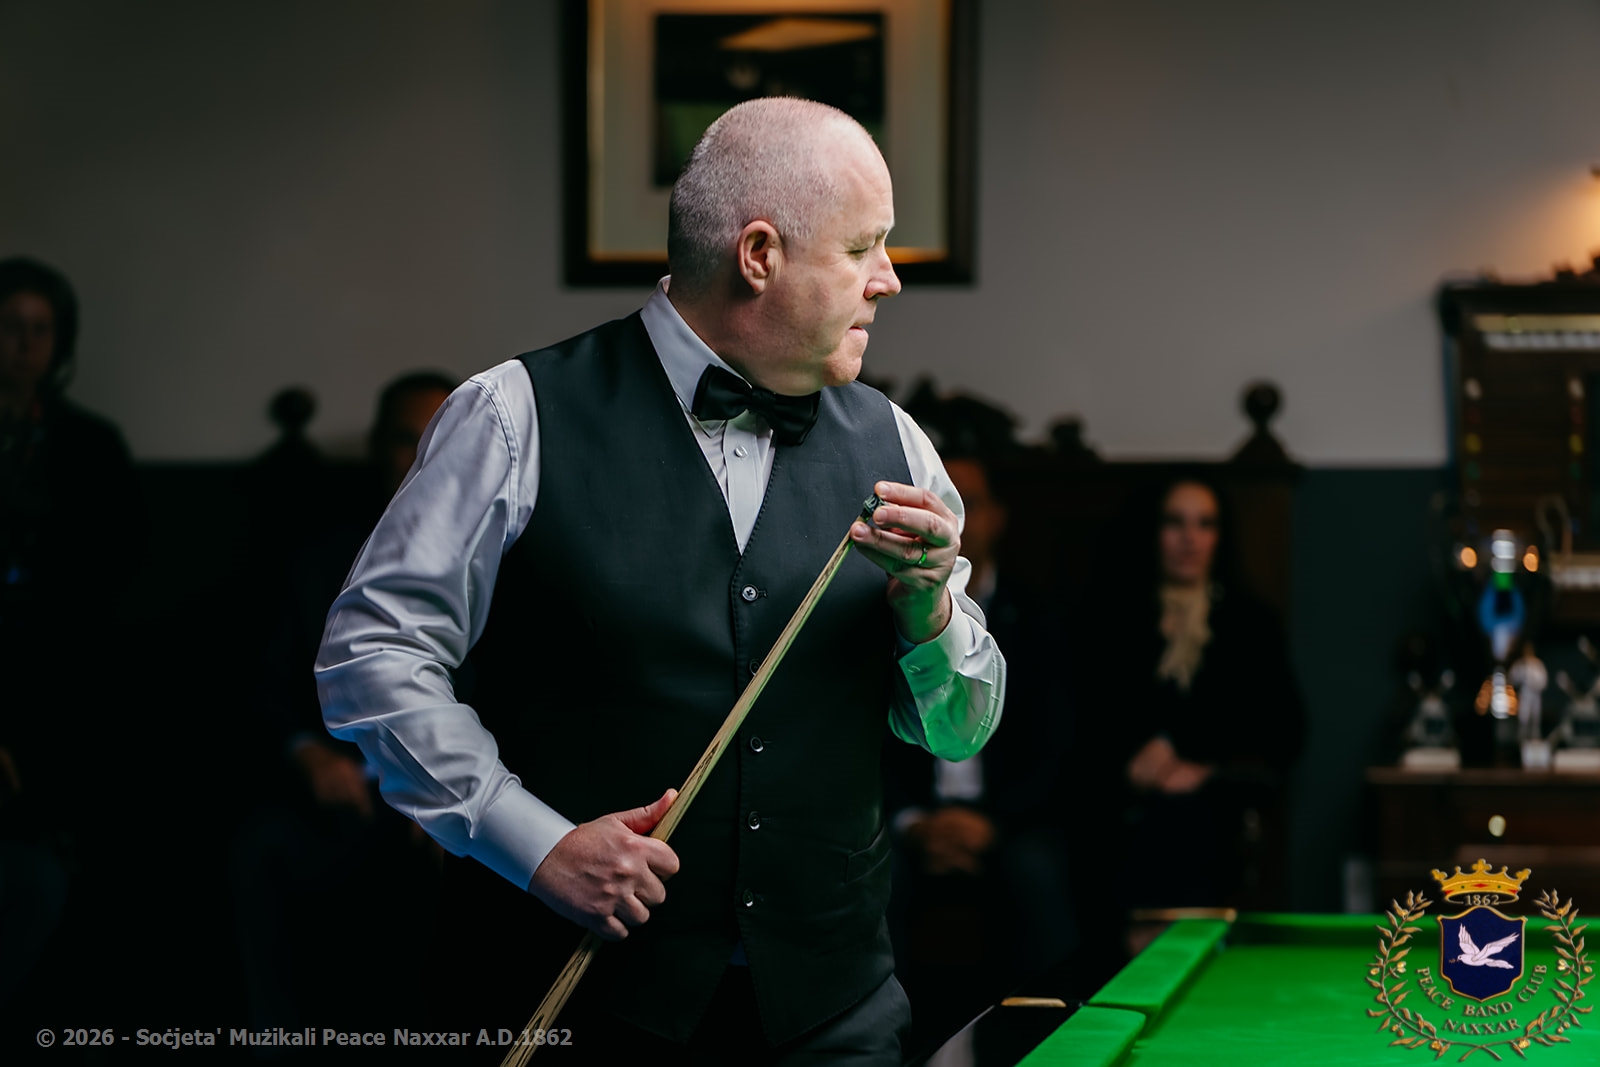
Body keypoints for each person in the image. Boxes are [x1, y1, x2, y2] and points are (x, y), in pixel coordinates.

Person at [315, 98, 1004, 1065]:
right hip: (573, 1006)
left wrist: (929, 614)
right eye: (863, 248)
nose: (889, 278)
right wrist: (536, 842)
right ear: (759, 256)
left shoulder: (900, 445)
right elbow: (371, 657)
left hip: (834, 1012)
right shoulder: (513, 415)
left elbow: (960, 731)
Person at [231, 372, 454, 1046]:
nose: (419, 460)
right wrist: (306, 752)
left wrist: (455, 792)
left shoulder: (512, 558)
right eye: (405, 441)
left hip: (457, 809)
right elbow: (265, 684)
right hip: (339, 797)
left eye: (437, 441)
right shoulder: (316, 559)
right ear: (378, 448)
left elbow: (521, 699)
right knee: (260, 849)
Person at [884, 453, 1072, 1053]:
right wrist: (915, 824)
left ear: (996, 518)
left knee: (1039, 873)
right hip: (910, 820)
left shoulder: (1037, 617)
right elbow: (867, 741)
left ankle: (1051, 1045)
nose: (958, 515)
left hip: (1006, 819)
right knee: (870, 877)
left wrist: (991, 825)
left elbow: (1055, 750)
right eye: (946, 499)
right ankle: (889, 1046)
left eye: (973, 502)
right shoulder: (882, 608)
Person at [1074, 473, 1302, 953]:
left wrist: (1202, 769)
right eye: (1175, 522)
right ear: (1155, 532)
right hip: (1119, 801)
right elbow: (1083, 719)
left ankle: (1174, 957)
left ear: (1220, 536)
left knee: (1185, 818)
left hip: (1215, 803)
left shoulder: (1250, 623)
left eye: (1204, 524)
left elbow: (1283, 732)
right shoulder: (1111, 616)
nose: (1189, 538)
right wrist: (1135, 762)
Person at [0, 256, 141, 1010]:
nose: (24, 345)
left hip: (64, 674)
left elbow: (111, 572)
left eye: (39, 329)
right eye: (9, 327)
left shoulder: (88, 444)